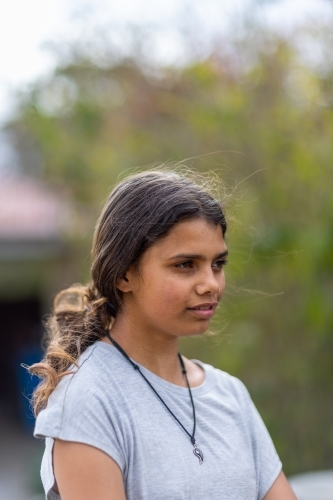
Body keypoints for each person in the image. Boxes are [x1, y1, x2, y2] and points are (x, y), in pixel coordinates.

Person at [30, 170, 297, 500]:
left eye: (218, 263)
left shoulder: (229, 395)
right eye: (185, 264)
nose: (211, 283)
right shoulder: (89, 398)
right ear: (124, 274)